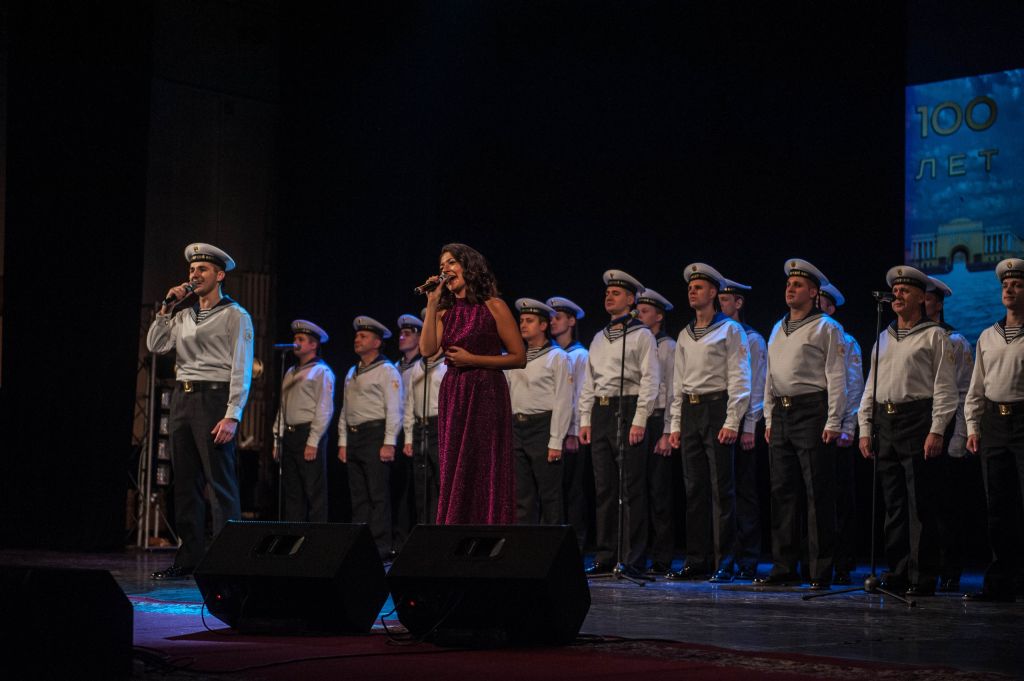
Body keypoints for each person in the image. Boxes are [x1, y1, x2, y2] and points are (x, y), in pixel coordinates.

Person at [147, 242, 254, 580]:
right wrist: (167, 307)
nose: (195, 275)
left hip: (214, 399)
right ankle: (190, 557)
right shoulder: (182, 315)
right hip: (183, 397)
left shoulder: (236, 315)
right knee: (185, 483)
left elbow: (242, 368)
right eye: (192, 270)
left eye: (202, 269)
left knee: (219, 483)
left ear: (219, 275)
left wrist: (233, 414)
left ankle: (227, 560)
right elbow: (156, 345)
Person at [858, 265, 957, 597]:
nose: (897, 295)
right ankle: (898, 570)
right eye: (896, 290)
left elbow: (945, 389)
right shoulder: (883, 336)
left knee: (920, 503)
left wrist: (937, 430)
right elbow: (871, 386)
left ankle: (922, 575)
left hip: (917, 419)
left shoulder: (934, 336)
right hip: (886, 420)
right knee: (894, 504)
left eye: (905, 291)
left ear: (920, 298)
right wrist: (865, 427)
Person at [755, 259, 846, 590]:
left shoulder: (826, 327)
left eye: (797, 285)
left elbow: (837, 376)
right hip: (782, 413)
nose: (790, 289)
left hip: (812, 411)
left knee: (816, 492)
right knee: (782, 492)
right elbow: (770, 377)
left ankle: (819, 569)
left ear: (813, 292)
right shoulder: (778, 327)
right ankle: (784, 565)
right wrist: (768, 417)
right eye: (788, 284)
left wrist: (834, 419)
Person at [419, 243, 526, 524]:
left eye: (451, 262)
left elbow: (519, 357)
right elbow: (427, 349)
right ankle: (456, 527)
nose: (445, 269)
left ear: (469, 266)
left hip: (486, 391)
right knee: (455, 463)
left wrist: (472, 359)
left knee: (483, 462)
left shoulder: (494, 306)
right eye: (442, 266)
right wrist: (432, 303)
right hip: (454, 392)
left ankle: (489, 526)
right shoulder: (444, 311)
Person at [666, 264, 750, 583]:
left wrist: (732, 420)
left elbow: (740, 377)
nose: (692, 291)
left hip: (717, 408)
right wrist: (676, 424)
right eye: (690, 287)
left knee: (721, 489)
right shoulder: (684, 334)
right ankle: (696, 559)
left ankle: (724, 560)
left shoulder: (730, 329)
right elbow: (678, 383)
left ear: (713, 292)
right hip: (691, 410)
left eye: (698, 287)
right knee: (695, 489)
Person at [579, 269, 660, 577]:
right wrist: (585, 419)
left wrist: (640, 419)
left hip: (628, 408)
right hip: (602, 411)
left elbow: (650, 379)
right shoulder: (599, 338)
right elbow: (589, 382)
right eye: (607, 293)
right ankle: (606, 554)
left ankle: (632, 557)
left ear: (630, 299)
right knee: (605, 489)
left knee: (631, 488)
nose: (609, 297)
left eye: (616, 293)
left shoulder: (641, 335)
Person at [964, 257, 1024, 602]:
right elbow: (977, 386)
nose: (1009, 289)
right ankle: (1000, 580)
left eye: (1016, 284)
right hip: (995, 422)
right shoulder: (988, 335)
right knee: (998, 506)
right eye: (1005, 285)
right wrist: (973, 426)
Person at [337, 316, 403, 559]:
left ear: (376, 342)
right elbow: (345, 408)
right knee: (358, 496)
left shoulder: (387, 370)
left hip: (375, 435)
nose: (357, 339)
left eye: (363, 336)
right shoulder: (352, 371)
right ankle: (360, 545)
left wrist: (389, 442)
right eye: (357, 335)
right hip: (355, 436)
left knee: (377, 495)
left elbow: (395, 408)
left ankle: (380, 546)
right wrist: (342, 441)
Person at [924, 277, 975, 593]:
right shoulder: (909, 338)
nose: (923, 303)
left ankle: (950, 568)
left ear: (939, 304)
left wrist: (959, 436)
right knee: (922, 505)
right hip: (918, 427)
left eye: (928, 299)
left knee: (946, 506)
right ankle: (922, 567)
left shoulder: (954, 339)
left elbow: (963, 392)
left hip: (947, 431)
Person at [508, 298, 573, 524]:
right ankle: (525, 543)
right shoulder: (516, 357)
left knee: (549, 496)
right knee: (522, 496)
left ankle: (552, 544)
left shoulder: (558, 357)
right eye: (521, 320)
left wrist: (556, 440)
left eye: (530, 321)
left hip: (542, 428)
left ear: (544, 325)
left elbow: (563, 400)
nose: (523, 325)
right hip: (518, 427)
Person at [718, 277, 766, 580]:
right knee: (723, 492)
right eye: (719, 299)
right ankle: (724, 556)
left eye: (726, 300)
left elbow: (757, 384)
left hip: (744, 421)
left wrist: (749, 426)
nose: (721, 304)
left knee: (745, 492)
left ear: (739, 303)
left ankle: (748, 558)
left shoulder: (752, 338)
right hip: (721, 418)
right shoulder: (716, 334)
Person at [817, 283, 864, 586]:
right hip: (812, 422)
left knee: (840, 498)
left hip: (838, 426)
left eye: (820, 303)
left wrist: (848, 427)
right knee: (816, 497)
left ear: (831, 309)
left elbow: (853, 385)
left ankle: (843, 562)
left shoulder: (846, 340)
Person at [272, 319, 335, 522]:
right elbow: (283, 407)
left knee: (314, 492)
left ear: (313, 344)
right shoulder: (290, 371)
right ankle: (293, 534)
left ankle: (317, 537)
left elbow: (324, 408)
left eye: (301, 339)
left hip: (307, 434)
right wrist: (277, 439)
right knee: (292, 492)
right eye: (295, 338)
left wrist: (313, 441)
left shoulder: (321, 371)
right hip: (289, 435)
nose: (295, 342)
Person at [634, 288, 677, 575]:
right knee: (637, 491)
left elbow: (673, 388)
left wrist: (667, 431)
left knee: (660, 494)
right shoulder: (636, 341)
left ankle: (662, 557)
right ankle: (639, 555)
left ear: (659, 316)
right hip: (641, 418)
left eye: (645, 311)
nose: (639, 315)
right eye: (638, 311)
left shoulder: (668, 346)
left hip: (660, 418)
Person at [547, 296, 590, 548]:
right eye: (551, 318)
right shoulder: (552, 355)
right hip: (553, 429)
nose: (553, 322)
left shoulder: (580, 355)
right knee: (555, 492)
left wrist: (573, 431)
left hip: (572, 433)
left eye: (558, 317)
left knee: (574, 491)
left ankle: (577, 546)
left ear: (571, 321)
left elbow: (580, 394)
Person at [402, 308, 447, 525]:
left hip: (441, 426)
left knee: (442, 482)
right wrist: (409, 437)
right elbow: (410, 403)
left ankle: (443, 530)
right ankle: (424, 529)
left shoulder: (448, 364)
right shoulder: (417, 368)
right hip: (421, 428)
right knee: (422, 486)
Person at [392, 313, 424, 552]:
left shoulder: (422, 366)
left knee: (417, 488)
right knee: (399, 488)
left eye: (408, 333)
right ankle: (400, 538)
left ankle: (417, 538)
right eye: (401, 333)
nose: (402, 337)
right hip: (397, 431)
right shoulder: (394, 367)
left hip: (416, 430)